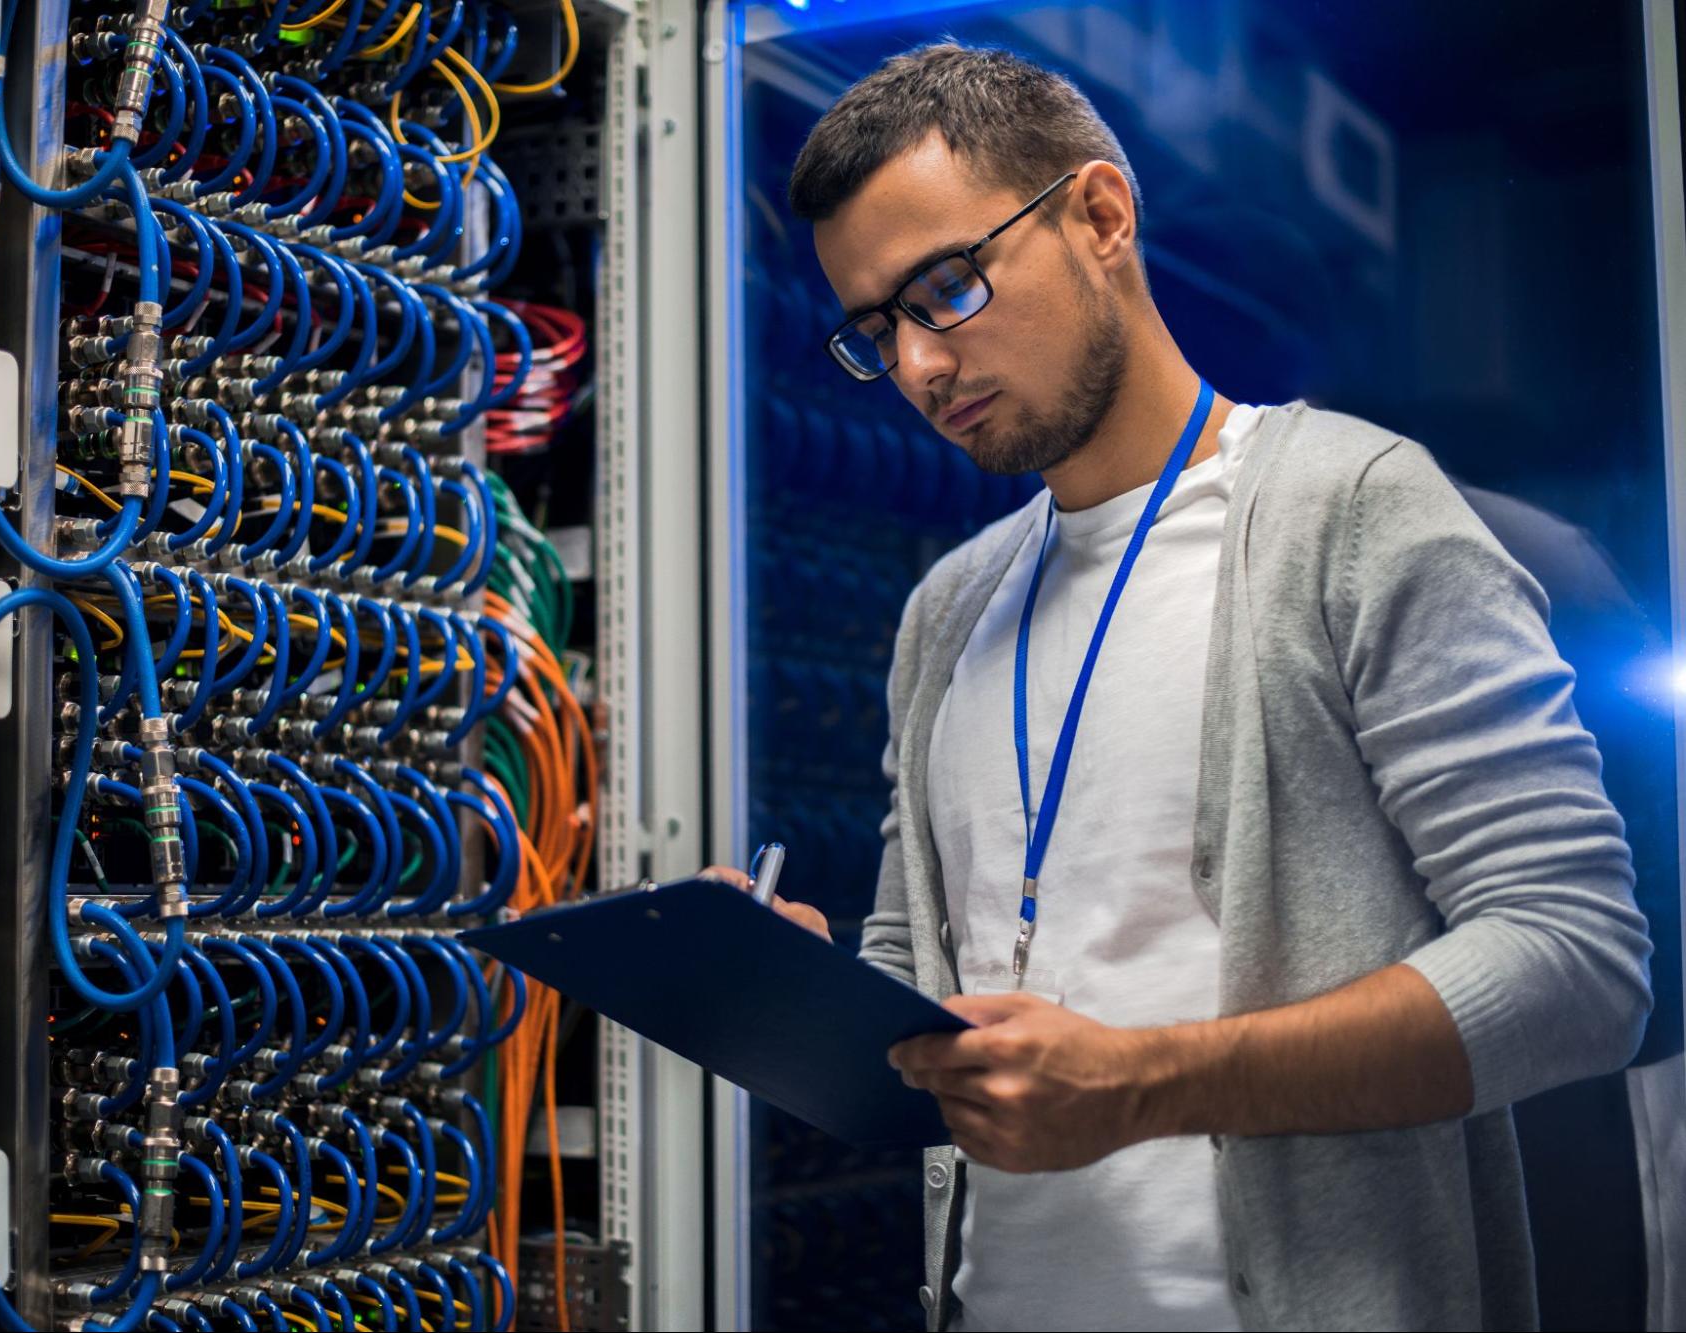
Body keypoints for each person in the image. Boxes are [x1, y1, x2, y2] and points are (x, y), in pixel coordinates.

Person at [707, 43, 1654, 1332]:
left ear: (1101, 216)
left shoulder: (1351, 512)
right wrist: (801, 986)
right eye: (878, 329)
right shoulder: (948, 611)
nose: (919, 367)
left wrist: (1146, 1084)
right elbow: (931, 978)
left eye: (946, 289)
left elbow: (1577, 962)